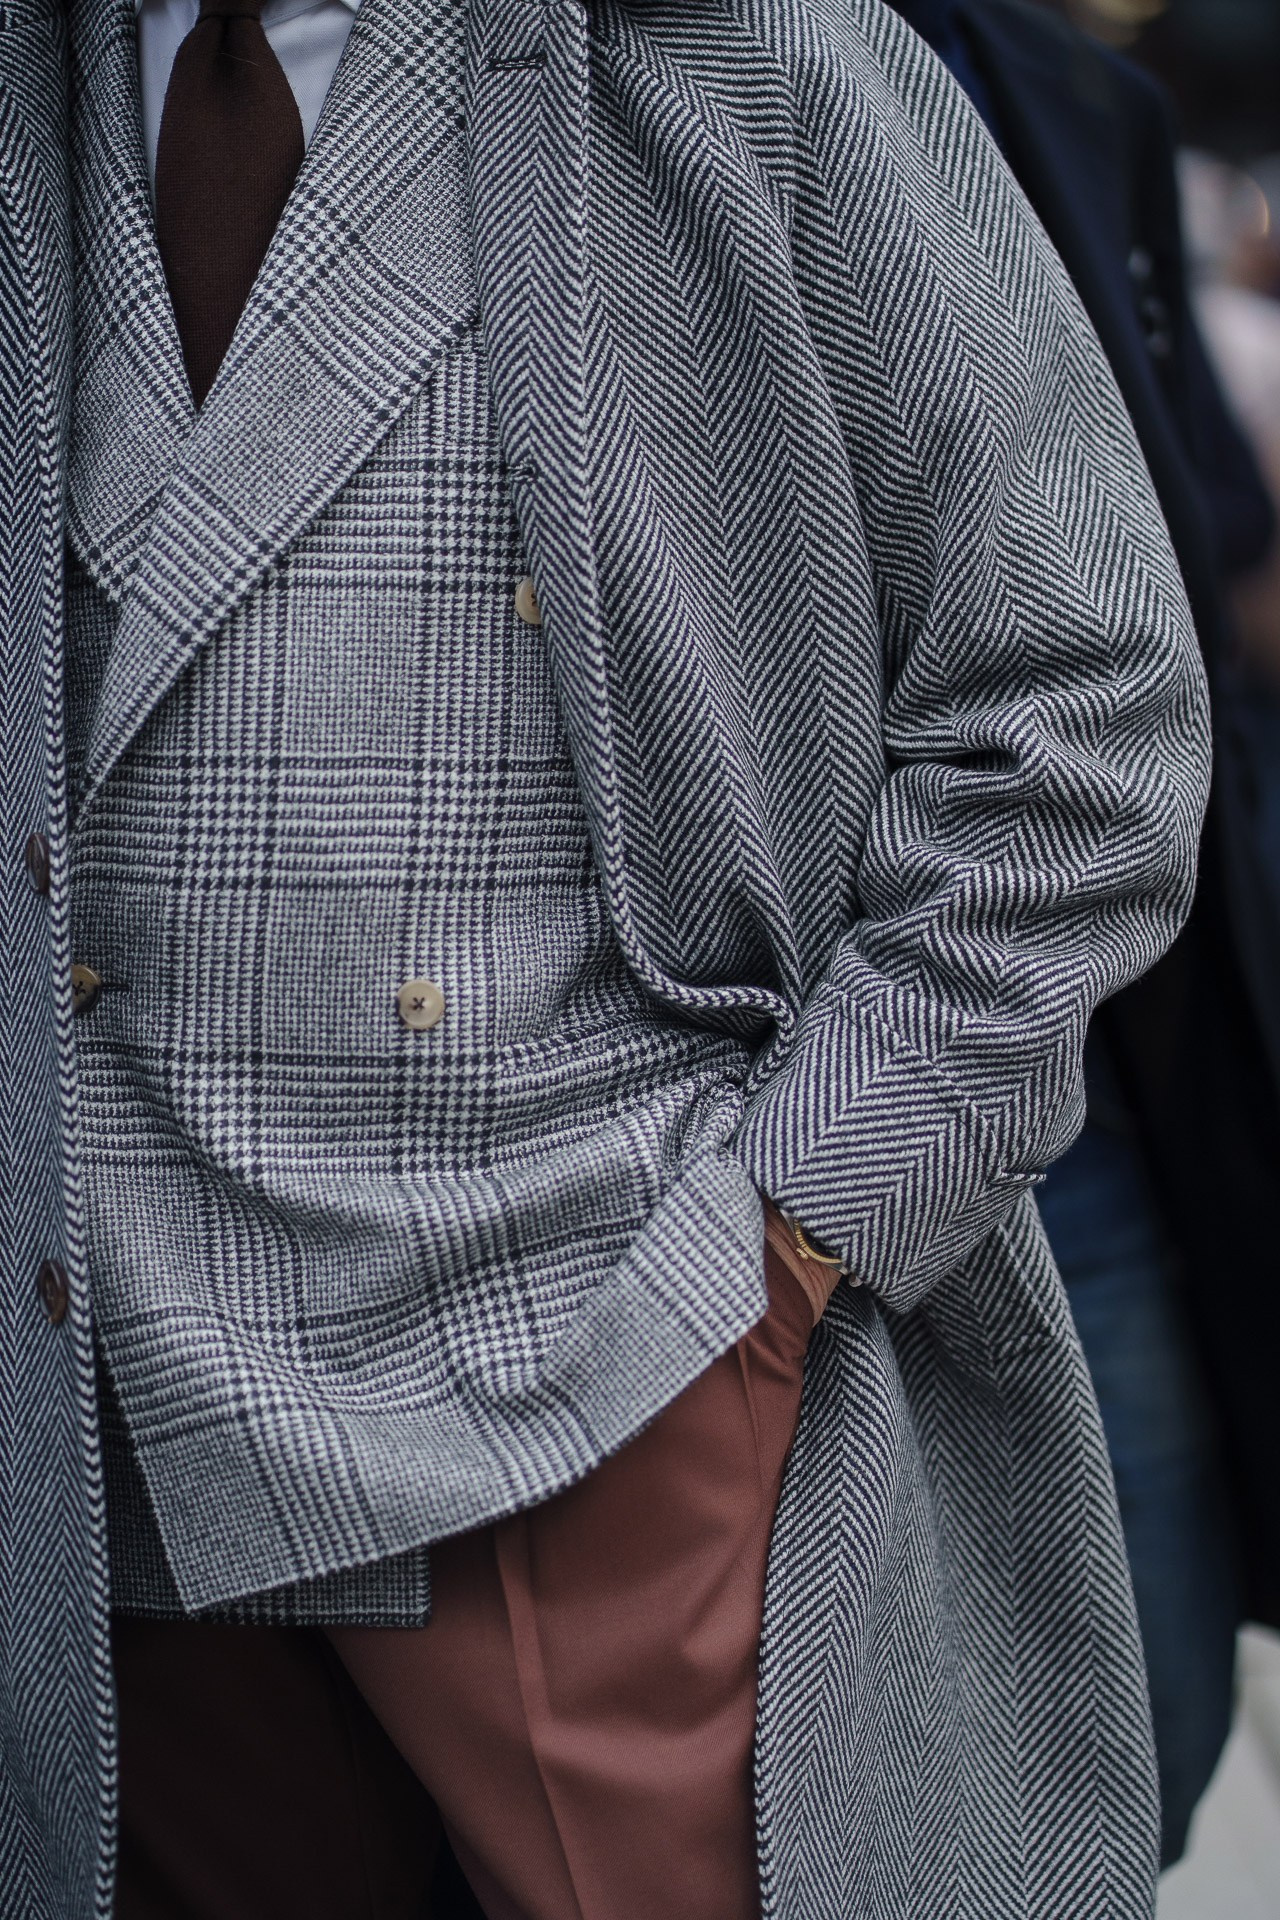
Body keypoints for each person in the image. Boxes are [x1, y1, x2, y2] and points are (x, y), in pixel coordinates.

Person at [0, 0, 1210, 1915]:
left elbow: (1081, 722)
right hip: (81, 1463)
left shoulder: (757, 53)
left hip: (607, 1408)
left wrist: (776, 1264)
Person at [886, 0, 1280, 1868]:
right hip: (722, 1059)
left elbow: (1208, 574)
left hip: (1093, 1082)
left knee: (1151, 1700)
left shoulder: (1066, 97)